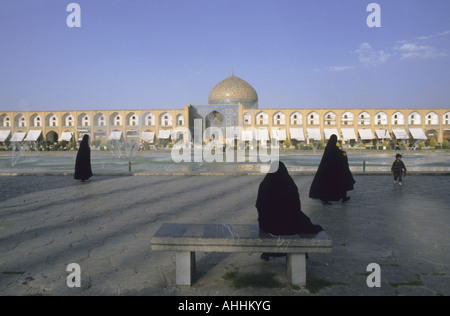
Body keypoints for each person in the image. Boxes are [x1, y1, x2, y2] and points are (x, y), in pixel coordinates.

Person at [256, 161, 324, 261]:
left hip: (269, 226)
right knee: (304, 220)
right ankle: (302, 251)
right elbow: (296, 207)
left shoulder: (264, 185)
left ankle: (266, 253)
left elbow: (259, 205)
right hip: (290, 227)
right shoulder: (290, 185)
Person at [309, 134, 355, 205]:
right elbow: (337, 154)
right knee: (335, 184)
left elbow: (337, 153)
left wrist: (342, 154)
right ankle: (329, 199)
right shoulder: (332, 148)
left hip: (330, 171)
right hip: (330, 172)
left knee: (339, 183)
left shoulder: (330, 147)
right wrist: (343, 154)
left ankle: (342, 197)